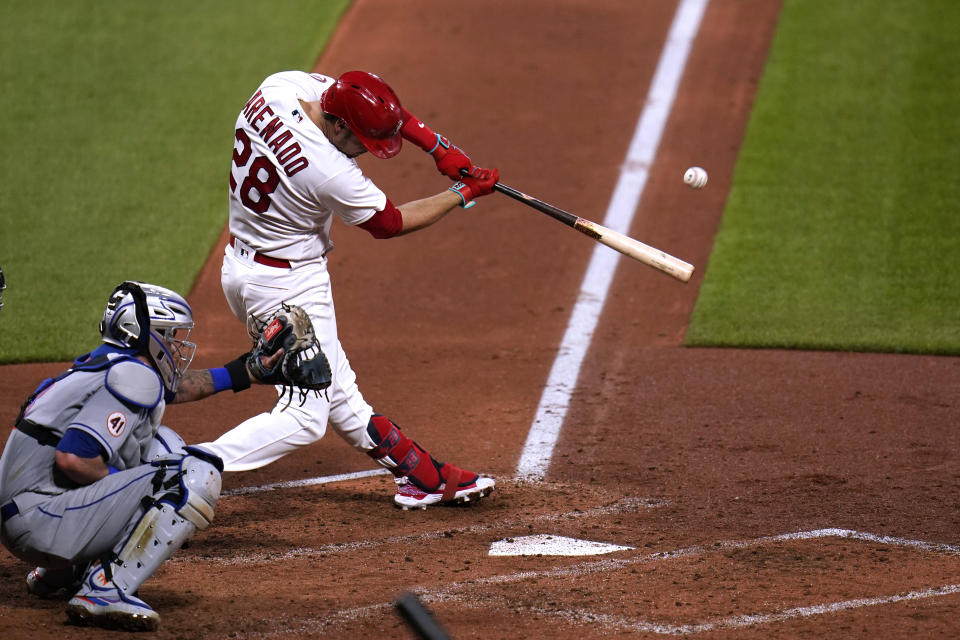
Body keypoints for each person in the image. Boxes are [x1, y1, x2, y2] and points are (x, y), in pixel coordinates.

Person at [202, 70, 498, 510]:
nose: (369, 151)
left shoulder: (279, 87)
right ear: (338, 126)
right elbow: (390, 223)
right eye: (363, 140)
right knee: (306, 417)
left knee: (337, 390)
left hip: (244, 269)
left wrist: (438, 146)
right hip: (288, 288)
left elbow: (381, 109)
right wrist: (462, 192)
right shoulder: (328, 170)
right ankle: (182, 467)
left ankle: (421, 477)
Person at [0, 281, 281, 632]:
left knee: (162, 446)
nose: (176, 344)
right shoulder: (134, 375)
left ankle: (60, 573)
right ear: (141, 332)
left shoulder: (111, 365)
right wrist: (137, 492)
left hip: (26, 515)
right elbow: (74, 459)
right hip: (39, 524)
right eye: (168, 333)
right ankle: (104, 590)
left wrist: (246, 372)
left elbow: (173, 388)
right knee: (189, 475)